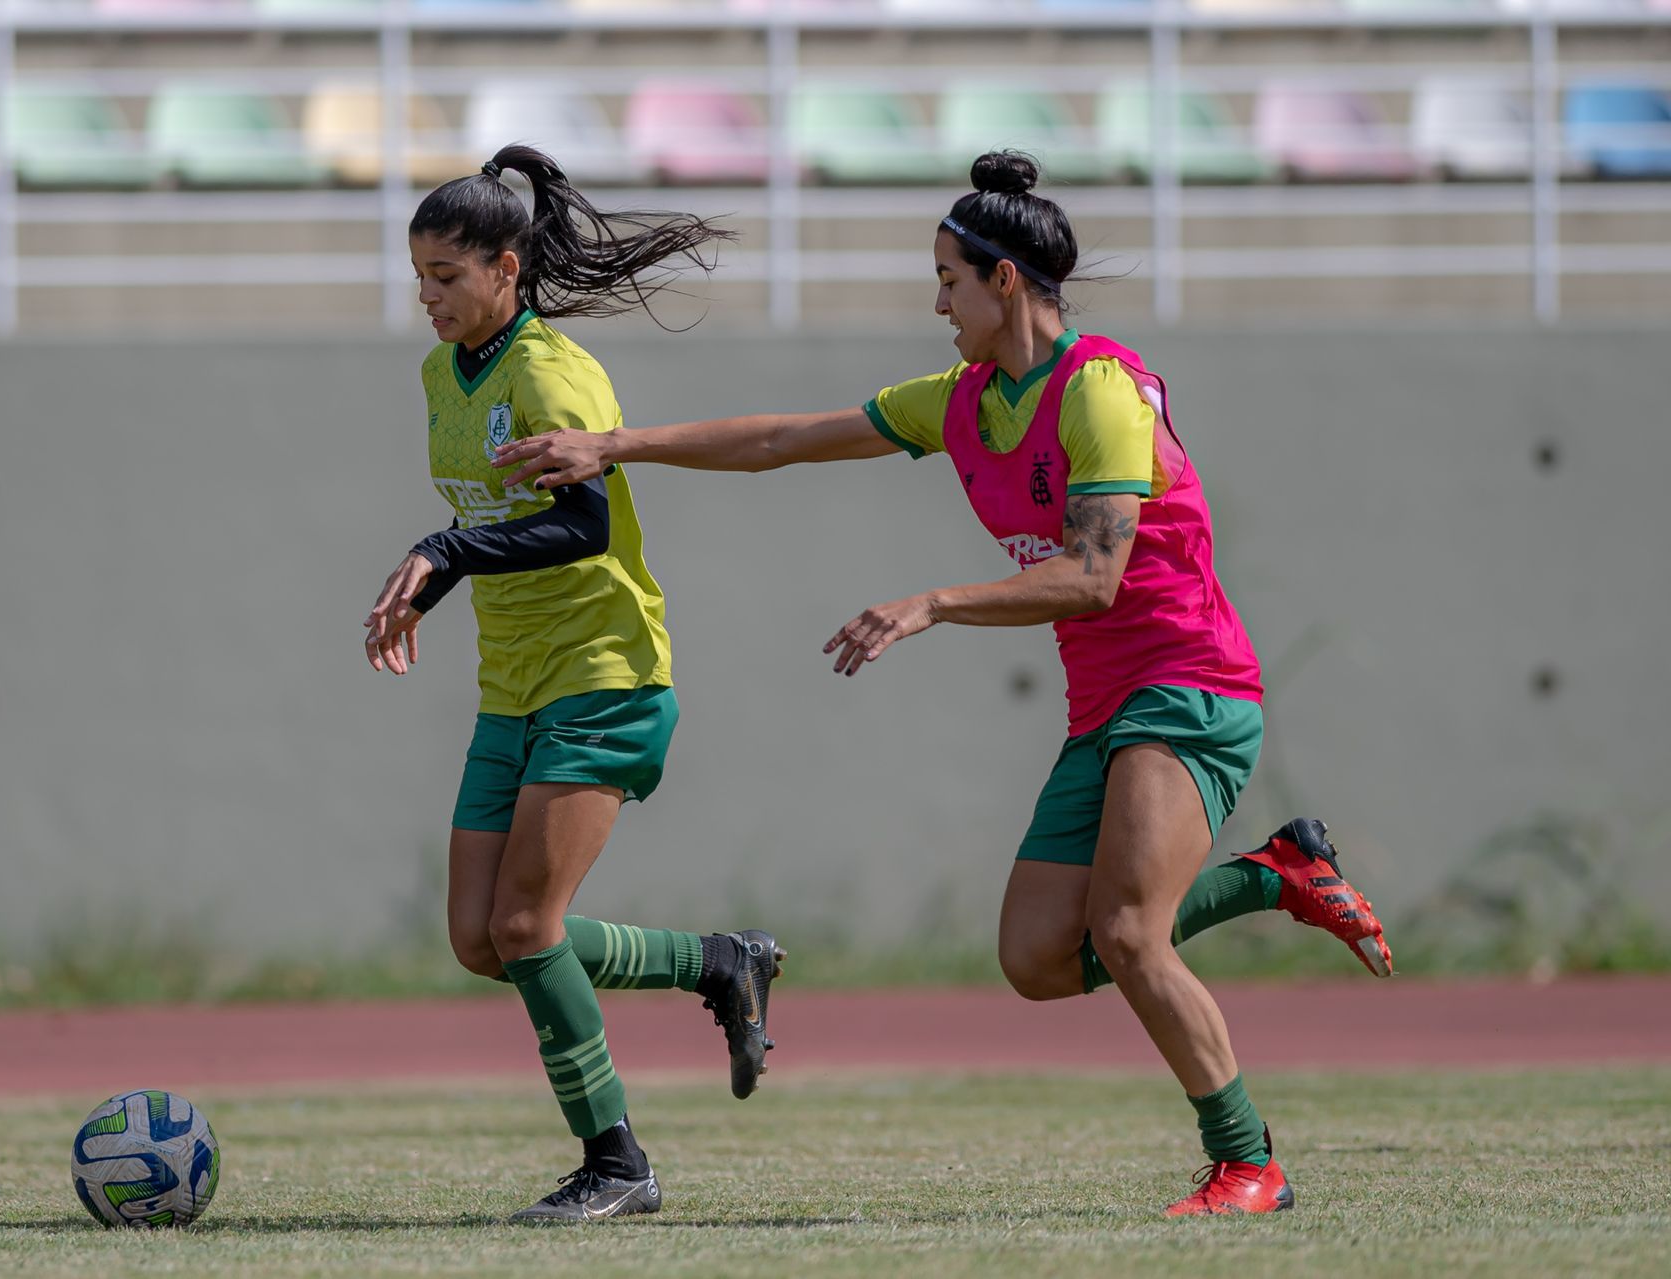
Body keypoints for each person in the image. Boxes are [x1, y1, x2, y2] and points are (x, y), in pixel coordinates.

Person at [493, 149, 1393, 1217]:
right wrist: (614, 443)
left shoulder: (1098, 388)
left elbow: (1097, 576)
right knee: (1038, 959)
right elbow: (785, 438)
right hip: (1105, 706)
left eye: (949, 280)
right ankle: (1276, 873)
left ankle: (1250, 1163)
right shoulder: (961, 401)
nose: (937, 302)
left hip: (1191, 685)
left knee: (1131, 936)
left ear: (1005, 280)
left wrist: (930, 602)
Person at [364, 143, 784, 1224]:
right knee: (482, 935)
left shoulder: (551, 372)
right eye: (419, 279)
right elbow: (491, 521)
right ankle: (716, 960)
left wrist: (448, 554)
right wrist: (433, 576)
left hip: (604, 676)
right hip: (511, 684)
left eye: (447, 279)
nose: (429, 299)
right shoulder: (435, 376)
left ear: (507, 270)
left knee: (524, 924)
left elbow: (581, 524)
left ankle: (618, 1164)